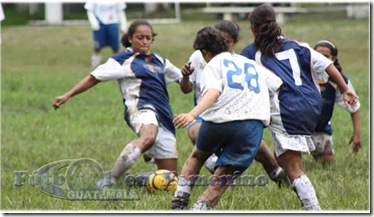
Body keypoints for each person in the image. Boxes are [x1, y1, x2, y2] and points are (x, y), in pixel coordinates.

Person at [241, 4, 358, 211]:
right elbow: (327, 65)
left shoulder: (254, 54)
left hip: (287, 109)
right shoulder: (298, 45)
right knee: (285, 159)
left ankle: (314, 209)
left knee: (292, 167)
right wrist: (345, 89)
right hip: (313, 106)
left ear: (253, 29)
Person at [53, 20, 191, 189]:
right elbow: (93, 77)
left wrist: (185, 77)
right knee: (148, 137)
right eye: (140, 37)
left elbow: (186, 89)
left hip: (165, 116)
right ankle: (111, 178)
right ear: (130, 38)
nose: (144, 41)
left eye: (148, 38)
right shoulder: (122, 60)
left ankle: (136, 179)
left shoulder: (160, 61)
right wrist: (67, 95)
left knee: (170, 179)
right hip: (141, 108)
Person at [171, 26, 283, 210]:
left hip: (219, 121)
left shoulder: (212, 64)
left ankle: (179, 201)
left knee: (198, 156)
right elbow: (277, 84)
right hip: (251, 124)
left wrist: (192, 114)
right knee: (223, 176)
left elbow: (214, 92)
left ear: (205, 52)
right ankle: (199, 209)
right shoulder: (249, 63)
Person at [312, 40, 361, 163]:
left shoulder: (339, 81)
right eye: (318, 56)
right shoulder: (303, 74)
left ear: (333, 59)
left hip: (321, 128)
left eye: (326, 57)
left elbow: (354, 107)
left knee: (327, 163)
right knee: (288, 162)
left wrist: (357, 133)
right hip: (299, 128)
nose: (321, 60)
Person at [85, 2, 128, 68]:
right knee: (97, 47)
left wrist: (123, 25)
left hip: (113, 23)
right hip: (99, 24)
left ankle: (117, 64)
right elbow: (90, 11)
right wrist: (94, 22)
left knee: (115, 47)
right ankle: (95, 64)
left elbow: (121, 11)